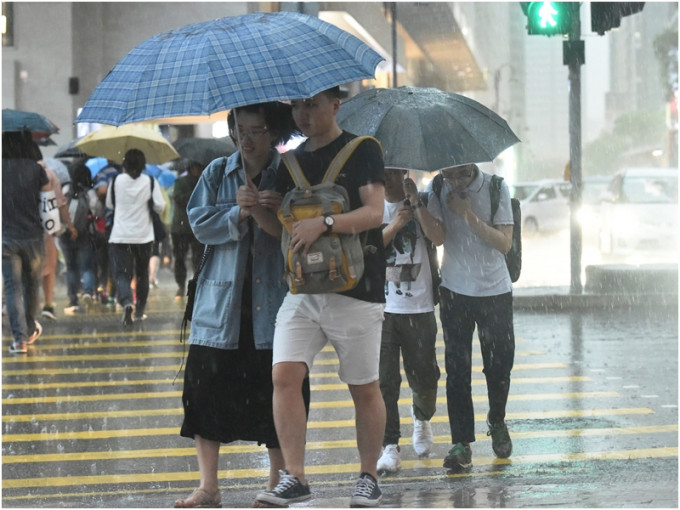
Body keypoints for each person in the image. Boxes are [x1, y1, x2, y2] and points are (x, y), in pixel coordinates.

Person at [255, 86, 387, 508]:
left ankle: (368, 475)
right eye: (296, 105)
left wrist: (325, 222)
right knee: (284, 376)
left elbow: (375, 212)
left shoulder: (363, 150)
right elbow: (283, 230)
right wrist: (256, 208)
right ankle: (295, 476)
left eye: (311, 104)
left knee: (363, 387)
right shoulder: (288, 161)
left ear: (336, 104)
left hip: (357, 288)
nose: (303, 113)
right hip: (303, 289)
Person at [174, 102, 309, 509]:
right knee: (206, 394)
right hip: (221, 306)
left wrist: (274, 210)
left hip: (274, 304)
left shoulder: (289, 174)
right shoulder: (217, 172)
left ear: (274, 134)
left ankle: (276, 481)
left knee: (277, 394)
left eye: (257, 130)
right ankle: (208, 486)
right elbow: (198, 222)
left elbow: (301, 227)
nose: (247, 139)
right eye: (240, 130)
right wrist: (237, 212)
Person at [422, 163, 515, 472]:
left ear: (472, 166)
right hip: (455, 291)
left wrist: (468, 214)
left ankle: (497, 420)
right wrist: (415, 203)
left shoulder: (496, 187)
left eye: (461, 175)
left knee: (499, 365)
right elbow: (437, 238)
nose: (455, 182)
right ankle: (461, 443)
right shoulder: (438, 188)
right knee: (457, 370)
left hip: (495, 290)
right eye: (449, 175)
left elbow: (504, 242)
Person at [376, 168, 441, 473]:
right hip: (383, 309)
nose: (393, 177)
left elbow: (438, 237)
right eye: (387, 170)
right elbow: (367, 250)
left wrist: (416, 204)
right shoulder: (371, 205)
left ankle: (422, 418)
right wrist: (396, 224)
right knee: (385, 381)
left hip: (420, 306)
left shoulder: (422, 201)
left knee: (425, 377)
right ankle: (389, 445)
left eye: (398, 171)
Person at [2, 131, 50, 353]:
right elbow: (47, 203)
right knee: (32, 286)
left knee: (13, 288)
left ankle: (19, 339)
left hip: (6, 238)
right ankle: (30, 328)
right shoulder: (36, 169)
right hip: (33, 236)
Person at [106, 149, 166, 325]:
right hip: (143, 236)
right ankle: (139, 311)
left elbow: (110, 204)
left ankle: (126, 302)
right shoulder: (150, 181)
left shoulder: (116, 180)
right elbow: (160, 207)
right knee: (142, 274)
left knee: (122, 274)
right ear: (143, 165)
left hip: (120, 236)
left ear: (124, 164)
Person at [60, 160, 102, 315]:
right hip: (84, 233)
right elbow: (98, 211)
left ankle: (73, 301)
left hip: (66, 232)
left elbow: (60, 207)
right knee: (86, 266)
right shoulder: (89, 192)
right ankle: (88, 292)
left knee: (71, 267)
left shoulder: (65, 189)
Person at [39, 160, 78, 320]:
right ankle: (47, 304)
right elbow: (60, 203)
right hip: (44, 228)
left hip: (16, 228)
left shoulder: (8, 171)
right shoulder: (49, 174)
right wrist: (68, 225)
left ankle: (11, 303)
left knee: (19, 269)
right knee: (49, 266)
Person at [169, 160, 204, 300]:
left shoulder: (204, 181)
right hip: (181, 228)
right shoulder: (181, 182)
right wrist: (196, 194)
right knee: (180, 259)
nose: (197, 171)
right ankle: (181, 285)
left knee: (198, 259)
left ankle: (196, 285)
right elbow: (178, 198)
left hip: (197, 227)